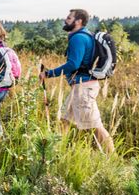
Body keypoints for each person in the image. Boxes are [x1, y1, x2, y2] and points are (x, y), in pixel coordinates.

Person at [40, 8, 114, 153]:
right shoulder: (85, 36)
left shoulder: (78, 38)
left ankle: (113, 159)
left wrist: (49, 74)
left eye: (69, 18)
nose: (66, 20)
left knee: (95, 126)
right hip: (81, 87)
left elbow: (73, 64)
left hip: (83, 87)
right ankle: (56, 153)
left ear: (78, 21)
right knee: (64, 120)